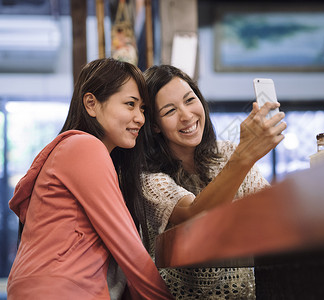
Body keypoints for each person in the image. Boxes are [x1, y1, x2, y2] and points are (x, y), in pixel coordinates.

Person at [7, 58, 173, 300]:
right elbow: (129, 248)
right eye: (130, 104)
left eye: (143, 109)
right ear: (91, 104)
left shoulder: (72, 150)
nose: (140, 118)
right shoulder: (84, 147)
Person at [139, 65, 287, 299]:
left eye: (190, 100)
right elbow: (193, 216)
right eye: (170, 111)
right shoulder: (147, 180)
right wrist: (244, 156)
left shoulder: (227, 153)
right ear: (154, 125)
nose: (187, 115)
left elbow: (270, 211)